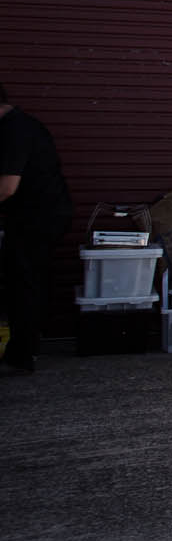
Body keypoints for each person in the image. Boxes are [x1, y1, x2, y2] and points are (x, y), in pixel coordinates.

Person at [0, 84, 72, 375]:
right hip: (41, 215)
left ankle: (21, 356)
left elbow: (7, 187)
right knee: (27, 281)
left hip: (37, 218)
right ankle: (25, 349)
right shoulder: (21, 125)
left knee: (23, 283)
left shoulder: (14, 130)